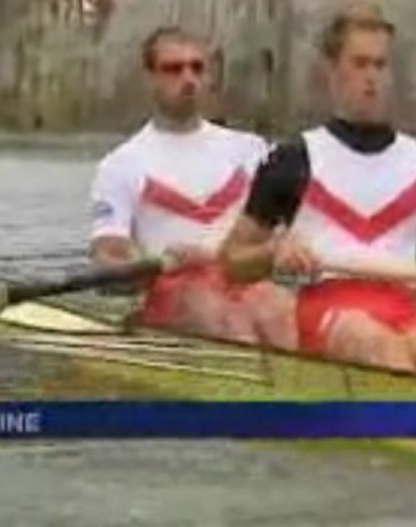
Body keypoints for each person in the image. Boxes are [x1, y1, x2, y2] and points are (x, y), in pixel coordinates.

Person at [218, 3, 416, 400]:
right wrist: (273, 252)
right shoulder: (292, 159)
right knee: (369, 338)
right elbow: (230, 263)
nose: (371, 77)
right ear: (332, 72)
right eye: (359, 64)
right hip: (327, 311)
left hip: (403, 306)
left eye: (380, 65)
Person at [88, 26, 297, 349]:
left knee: (282, 310)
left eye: (197, 68)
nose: (188, 78)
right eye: (173, 69)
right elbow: (109, 254)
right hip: (174, 291)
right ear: (150, 78)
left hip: (243, 279)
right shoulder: (121, 165)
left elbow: (295, 228)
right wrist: (145, 264)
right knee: (220, 315)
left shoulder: (252, 151)